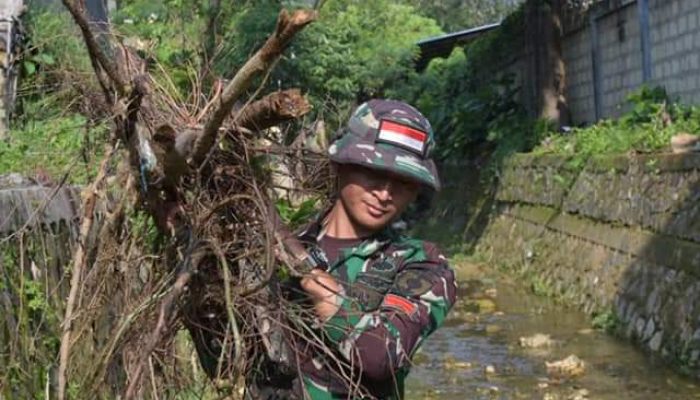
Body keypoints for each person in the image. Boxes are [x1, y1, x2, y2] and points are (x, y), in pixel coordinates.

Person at [255, 99, 457, 399]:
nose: (385, 194)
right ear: (341, 164)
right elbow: (230, 356)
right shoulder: (277, 249)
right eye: (374, 173)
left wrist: (316, 286)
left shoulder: (423, 264)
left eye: (403, 183)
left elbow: (380, 354)